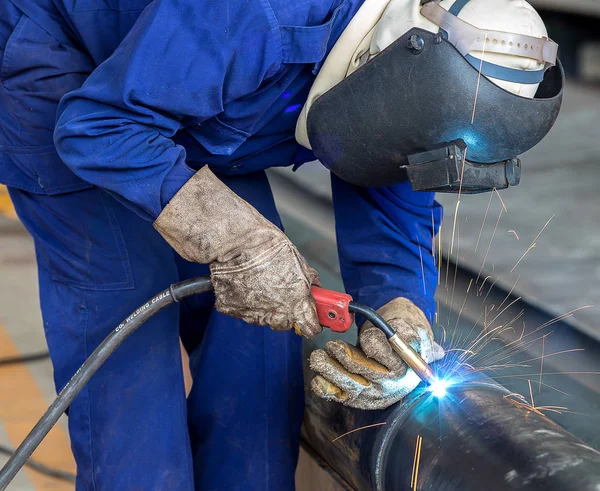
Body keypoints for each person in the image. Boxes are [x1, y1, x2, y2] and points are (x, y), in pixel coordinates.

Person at [0, 0, 561, 488]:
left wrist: (399, 304)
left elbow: (391, 174)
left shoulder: (412, 78)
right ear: (391, 66)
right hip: (66, 68)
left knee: (260, 332)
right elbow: (99, 126)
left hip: (194, 85)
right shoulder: (264, 15)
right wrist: (231, 235)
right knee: (133, 342)